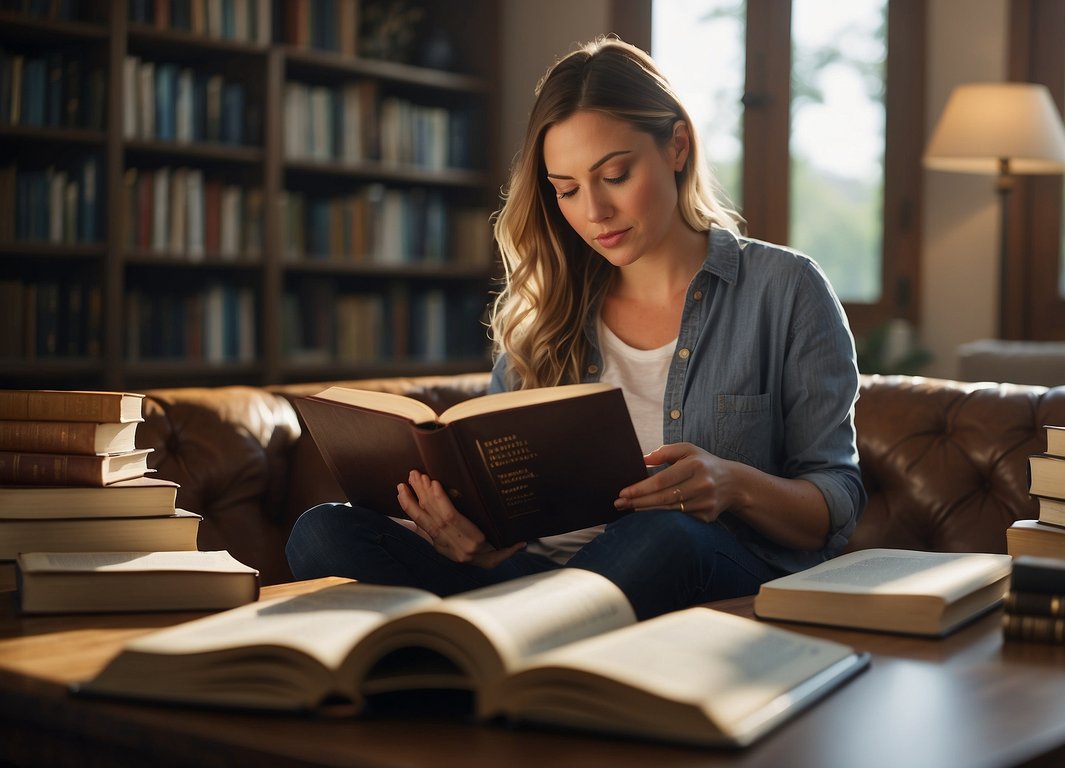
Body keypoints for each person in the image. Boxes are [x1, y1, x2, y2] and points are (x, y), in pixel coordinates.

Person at [286, 36, 865, 619]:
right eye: (565, 189)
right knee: (323, 533)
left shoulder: (785, 288)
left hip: (698, 568)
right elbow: (501, 517)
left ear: (677, 147)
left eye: (614, 175)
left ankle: (493, 652)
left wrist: (733, 483)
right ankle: (511, 652)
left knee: (661, 535)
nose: (593, 212)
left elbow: (836, 501)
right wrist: (467, 534)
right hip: (531, 581)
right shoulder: (546, 310)